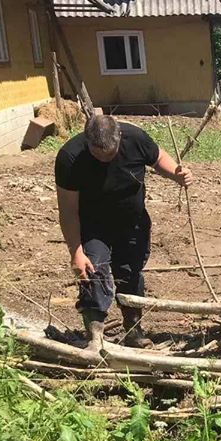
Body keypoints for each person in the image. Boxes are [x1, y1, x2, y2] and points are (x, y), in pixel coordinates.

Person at [55, 115, 192, 351]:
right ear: (88, 143)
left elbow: (157, 157)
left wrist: (177, 174)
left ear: (119, 137)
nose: (106, 158)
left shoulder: (135, 138)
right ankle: (94, 336)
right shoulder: (70, 157)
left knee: (130, 273)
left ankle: (133, 330)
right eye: (99, 154)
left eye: (111, 153)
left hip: (133, 222)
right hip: (93, 226)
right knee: (92, 270)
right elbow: (68, 211)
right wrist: (76, 252)